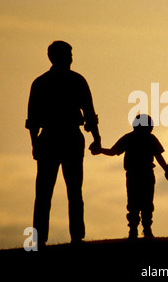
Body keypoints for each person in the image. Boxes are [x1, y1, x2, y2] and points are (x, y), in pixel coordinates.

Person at [26, 41, 101, 248]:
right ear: (58, 57)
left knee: (51, 193)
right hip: (64, 138)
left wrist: (35, 144)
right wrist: (96, 137)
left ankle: (47, 238)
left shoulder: (41, 82)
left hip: (55, 139)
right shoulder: (76, 80)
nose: (71, 58)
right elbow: (89, 112)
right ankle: (72, 236)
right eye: (68, 54)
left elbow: (32, 120)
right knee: (63, 192)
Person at [90, 114, 168, 239]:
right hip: (145, 174)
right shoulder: (150, 139)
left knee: (135, 202)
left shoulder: (129, 138)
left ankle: (135, 230)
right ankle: (145, 230)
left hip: (134, 174)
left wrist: (100, 150)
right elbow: (159, 157)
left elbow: (113, 152)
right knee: (145, 202)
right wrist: (167, 170)